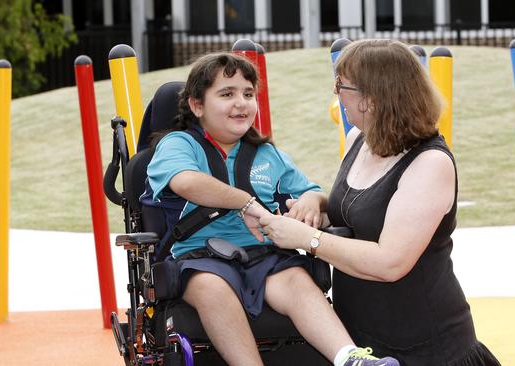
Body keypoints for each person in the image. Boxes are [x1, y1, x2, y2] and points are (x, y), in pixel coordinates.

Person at [140, 52, 399, 366]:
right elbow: (186, 183)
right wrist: (246, 203)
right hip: (198, 257)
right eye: (227, 94)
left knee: (297, 281)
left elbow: (315, 196)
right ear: (197, 106)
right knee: (213, 287)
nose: (241, 102)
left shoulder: (267, 154)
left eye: (248, 94)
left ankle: (352, 359)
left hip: (264, 255)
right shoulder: (179, 145)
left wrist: (312, 201)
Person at [259, 39, 501, 366]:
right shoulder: (361, 140)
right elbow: (360, 211)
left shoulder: (430, 164)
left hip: (428, 349)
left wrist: (307, 239)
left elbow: (390, 262)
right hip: (364, 341)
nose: (336, 93)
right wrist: (316, 202)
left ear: (371, 99)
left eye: (341, 85)